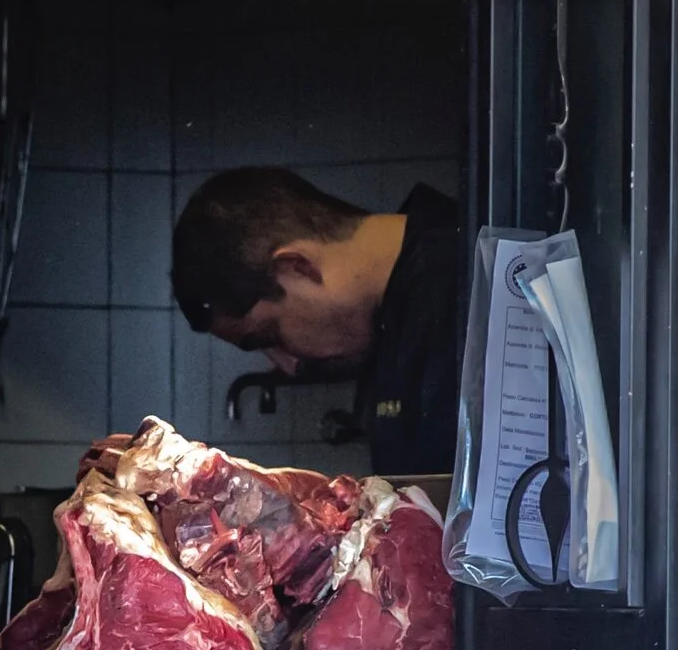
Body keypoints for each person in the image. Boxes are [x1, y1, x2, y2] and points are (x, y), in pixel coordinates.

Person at [171, 169, 461, 476]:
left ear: (297, 267)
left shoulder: (462, 281)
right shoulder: (393, 310)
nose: (290, 365)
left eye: (271, 336)